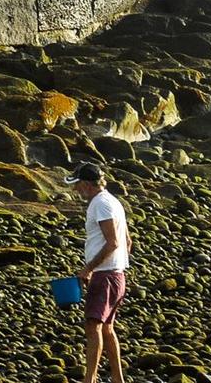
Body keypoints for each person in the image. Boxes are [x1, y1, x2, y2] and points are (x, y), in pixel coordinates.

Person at [65, 161, 130, 383]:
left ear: (86, 184)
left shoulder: (99, 204)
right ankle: (117, 378)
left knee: (93, 326)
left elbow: (112, 242)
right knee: (107, 328)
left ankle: (89, 379)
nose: (75, 190)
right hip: (117, 274)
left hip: (105, 275)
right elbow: (127, 242)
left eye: (77, 185)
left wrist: (89, 269)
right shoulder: (114, 201)